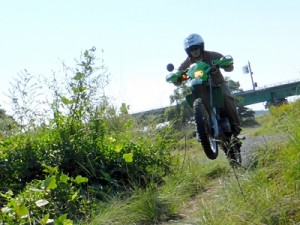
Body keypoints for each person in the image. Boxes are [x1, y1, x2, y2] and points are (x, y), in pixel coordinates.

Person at [177, 33, 241, 136]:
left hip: (217, 84)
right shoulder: (186, 63)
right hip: (199, 89)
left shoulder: (212, 55)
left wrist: (225, 63)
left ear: (201, 46)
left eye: (196, 47)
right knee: (194, 104)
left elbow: (229, 67)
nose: (194, 51)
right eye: (191, 49)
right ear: (188, 51)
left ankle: (235, 125)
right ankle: (200, 128)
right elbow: (178, 75)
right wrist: (177, 77)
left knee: (227, 97)